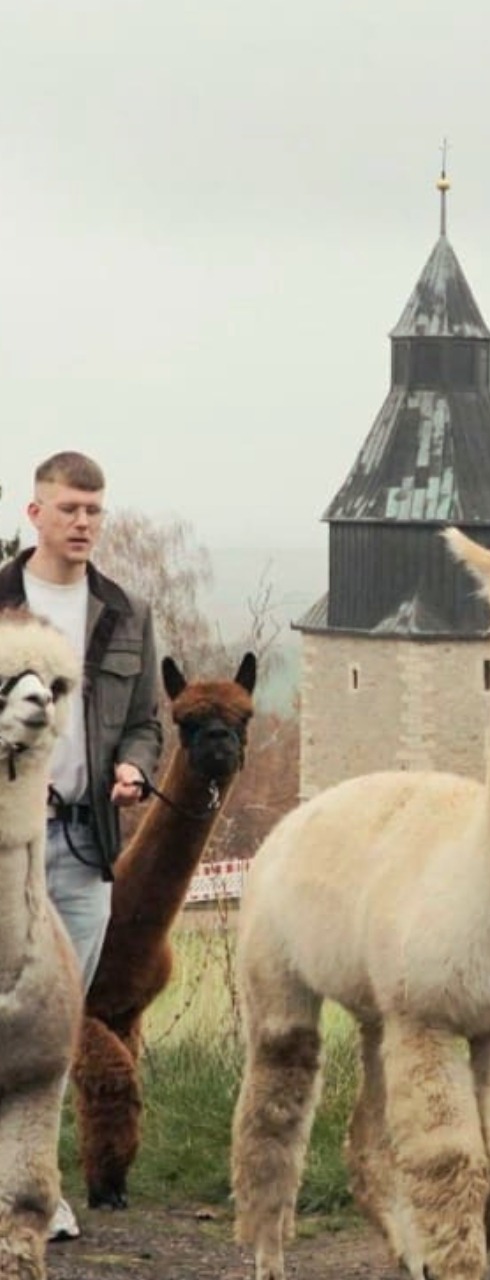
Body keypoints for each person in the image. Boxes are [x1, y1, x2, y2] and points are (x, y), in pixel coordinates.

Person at [0, 450, 162, 1243]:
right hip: (7, 842)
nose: (84, 524)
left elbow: (145, 718)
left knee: (57, 1021)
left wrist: (135, 763)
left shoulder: (125, 612)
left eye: (94, 512)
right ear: (36, 514)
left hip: (85, 841)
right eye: (68, 509)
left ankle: (36, 1183)